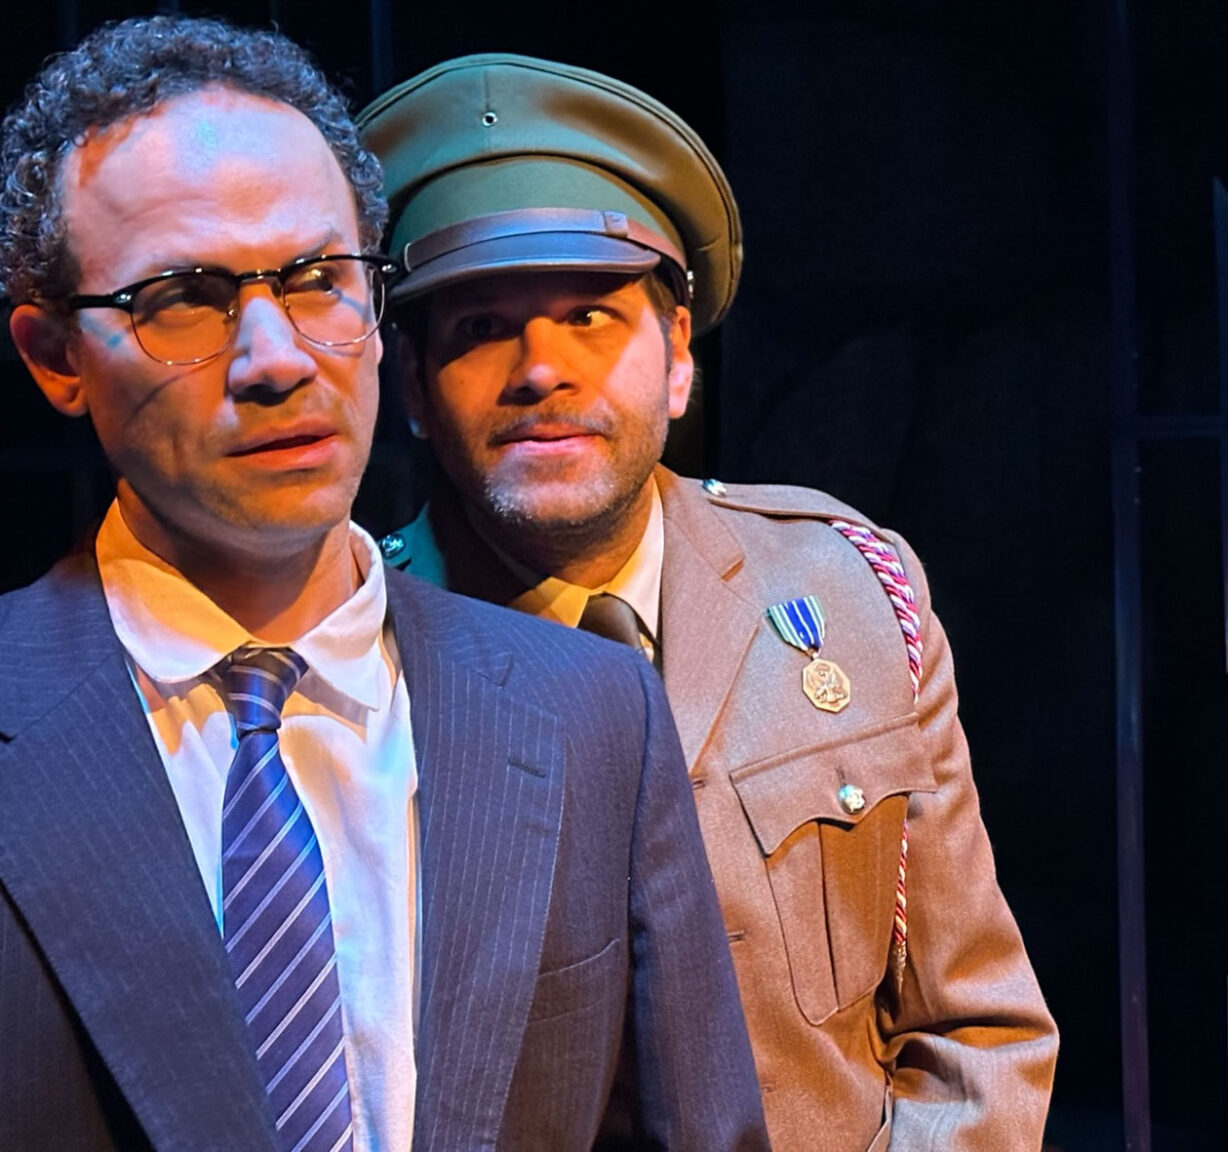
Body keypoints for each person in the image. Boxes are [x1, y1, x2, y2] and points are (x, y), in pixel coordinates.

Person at [0, 19, 767, 1151]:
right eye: (183, 296)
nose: (276, 358)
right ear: (56, 355)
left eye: (319, 279)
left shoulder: (594, 714)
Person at [357, 54, 1058, 1151]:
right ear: (411, 384)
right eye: (481, 326)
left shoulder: (849, 590)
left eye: (591, 315)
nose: (540, 369)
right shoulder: (354, 663)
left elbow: (980, 1033)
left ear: (678, 355)